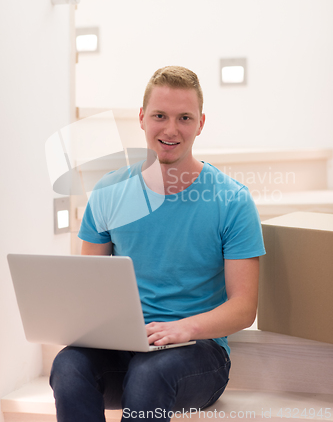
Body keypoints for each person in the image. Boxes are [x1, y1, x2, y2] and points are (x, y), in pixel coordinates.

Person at [50, 66, 265, 422]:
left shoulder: (232, 200)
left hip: (199, 353)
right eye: (160, 116)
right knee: (68, 366)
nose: (170, 129)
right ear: (141, 118)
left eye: (184, 118)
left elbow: (243, 308)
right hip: (125, 347)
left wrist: (186, 327)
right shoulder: (108, 192)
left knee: (150, 374)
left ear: (201, 123)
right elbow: (90, 288)